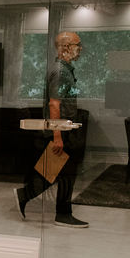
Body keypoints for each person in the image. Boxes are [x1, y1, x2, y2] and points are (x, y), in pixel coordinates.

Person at [14, 31, 89, 228]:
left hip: (64, 128)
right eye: (77, 45)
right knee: (64, 172)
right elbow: (54, 105)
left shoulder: (65, 69)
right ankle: (62, 214)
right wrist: (58, 136)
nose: (80, 49)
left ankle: (25, 195)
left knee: (53, 172)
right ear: (66, 47)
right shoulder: (60, 71)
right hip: (62, 130)